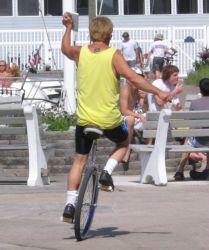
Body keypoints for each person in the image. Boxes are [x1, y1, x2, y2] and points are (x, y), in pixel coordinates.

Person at [61, 13, 171, 223]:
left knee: (79, 161)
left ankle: (69, 204)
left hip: (84, 121)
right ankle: (107, 173)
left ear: (92, 33)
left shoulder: (80, 52)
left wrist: (67, 28)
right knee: (123, 141)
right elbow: (133, 79)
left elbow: (65, 48)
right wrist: (157, 93)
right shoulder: (114, 55)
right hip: (109, 121)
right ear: (110, 34)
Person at [174, 78, 209, 181]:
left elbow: (191, 124)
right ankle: (207, 169)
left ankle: (180, 171)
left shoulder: (194, 103)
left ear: (200, 90)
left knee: (188, 139)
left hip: (198, 140)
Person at [119, 67, 149, 170]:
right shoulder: (125, 89)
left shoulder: (139, 90)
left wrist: (143, 99)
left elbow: (144, 109)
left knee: (151, 118)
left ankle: (150, 148)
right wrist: (139, 116)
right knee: (130, 119)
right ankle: (127, 149)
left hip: (135, 115)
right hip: (123, 117)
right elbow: (123, 110)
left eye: (140, 77)